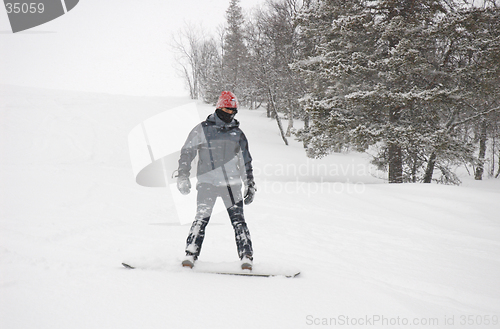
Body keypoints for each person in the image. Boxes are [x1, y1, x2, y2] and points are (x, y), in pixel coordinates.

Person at [177, 91, 256, 270]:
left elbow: (246, 162)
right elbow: (187, 152)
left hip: (231, 185)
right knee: (201, 218)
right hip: (208, 183)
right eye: (227, 111)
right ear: (219, 108)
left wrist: (250, 183)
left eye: (233, 112)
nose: (230, 115)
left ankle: (246, 256)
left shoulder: (237, 134)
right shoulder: (202, 129)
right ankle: (190, 254)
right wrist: (183, 175)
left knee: (238, 221)